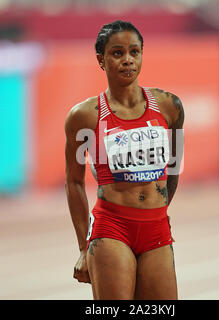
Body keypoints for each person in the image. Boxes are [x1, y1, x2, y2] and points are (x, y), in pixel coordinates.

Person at [64, 20, 184, 300]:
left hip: (157, 228)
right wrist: (83, 247)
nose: (127, 60)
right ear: (101, 60)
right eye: (117, 53)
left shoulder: (169, 106)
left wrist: (158, 211)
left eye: (134, 52)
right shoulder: (85, 116)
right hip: (112, 229)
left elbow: (175, 167)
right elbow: (73, 183)